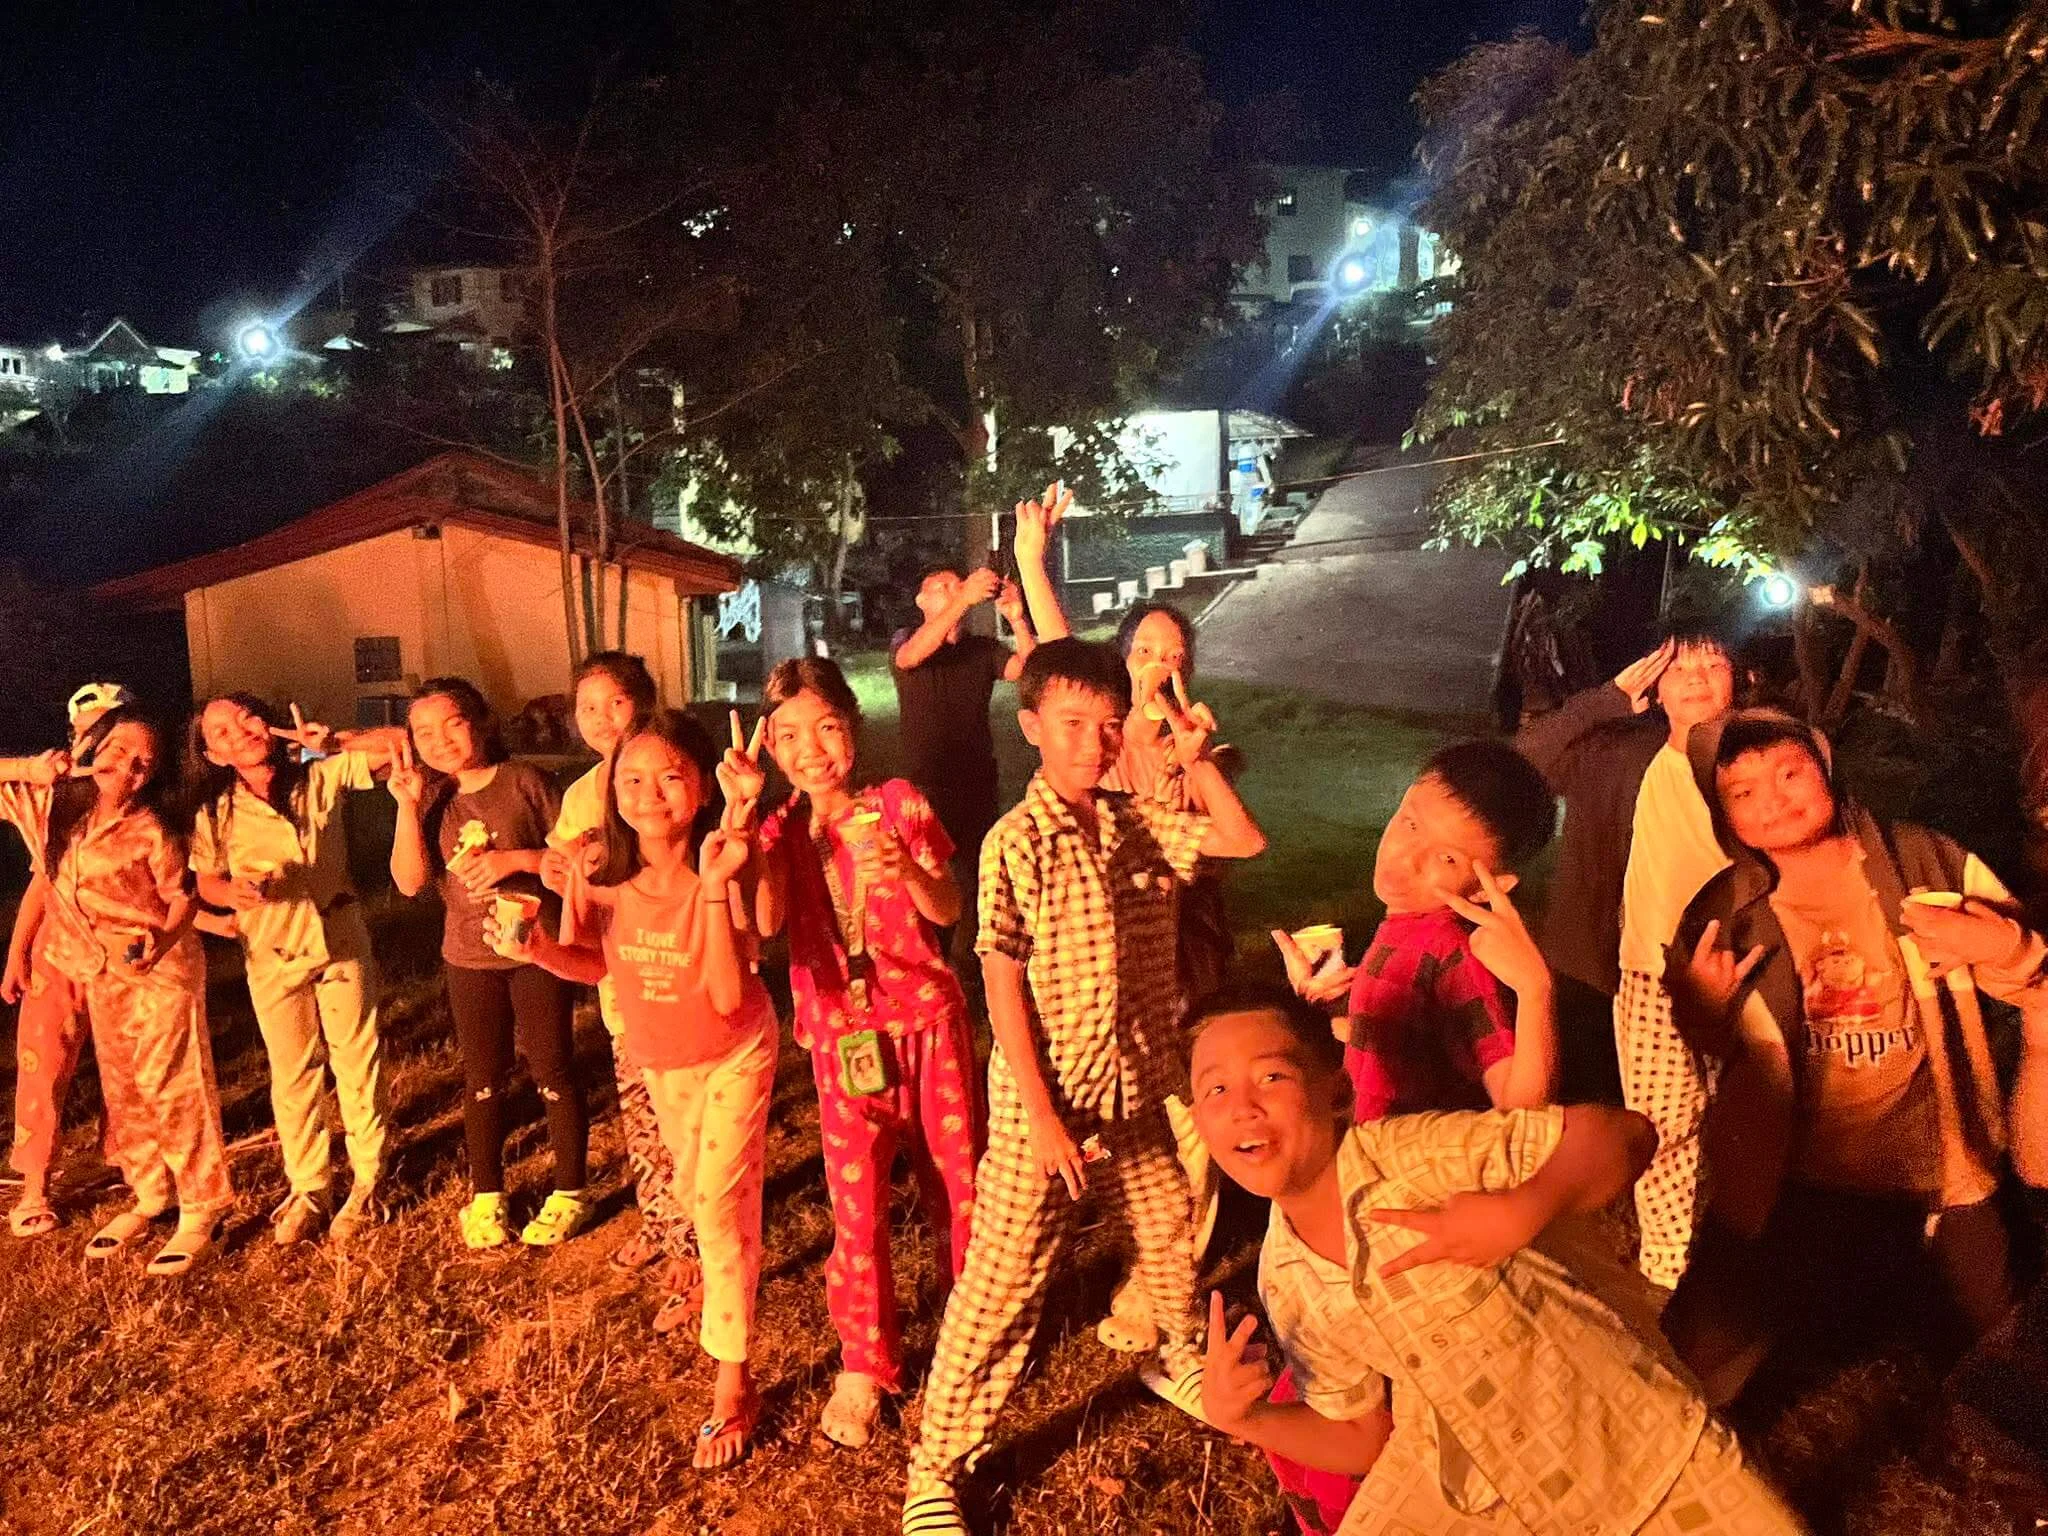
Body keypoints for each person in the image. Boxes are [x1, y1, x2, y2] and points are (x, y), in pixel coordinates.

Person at [1183, 983, 1808, 1536]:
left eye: (1272, 1077)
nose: (1243, 1106)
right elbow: (1361, 1435)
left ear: (1338, 1091)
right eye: (1216, 1089)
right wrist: (1248, 1418)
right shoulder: (1285, 1277)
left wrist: (1524, 1208)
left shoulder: (1412, 1160)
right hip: (1477, 1487)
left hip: (1638, 1446)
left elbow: (1624, 1135)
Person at [900, 638, 1269, 1536]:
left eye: (1108, 726)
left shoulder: (1139, 820)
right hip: (1050, 1103)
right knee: (1003, 1283)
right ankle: (935, 1468)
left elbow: (1242, 839)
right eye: (1071, 724)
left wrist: (1192, 759)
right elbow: (1000, 983)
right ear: (1031, 726)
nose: (1092, 744)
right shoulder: (1014, 843)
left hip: (1132, 1088)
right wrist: (1042, 1117)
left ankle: (1173, 1355)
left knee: (1168, 1228)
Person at [1662, 710, 2039, 1406]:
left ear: (1826, 769)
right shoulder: (1727, 912)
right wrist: (1702, 1014)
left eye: (1790, 773)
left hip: (1937, 1160)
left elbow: (2024, 968)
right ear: (1722, 812)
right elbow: (1711, 1047)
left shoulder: (1926, 862)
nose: (1773, 800)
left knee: (1988, 1347)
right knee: (1703, 1353)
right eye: (1743, 792)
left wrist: (2010, 951)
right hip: (1797, 1172)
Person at [1262, 739, 1561, 1533]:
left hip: (1401, 1215)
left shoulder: (1456, 957)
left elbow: (1521, 1104)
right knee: (1325, 1377)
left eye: (1448, 857)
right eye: (1409, 822)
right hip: (1355, 1192)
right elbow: (1383, 1050)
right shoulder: (1402, 929)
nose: (1406, 857)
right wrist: (1326, 1011)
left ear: (1493, 885)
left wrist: (1535, 990)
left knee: (1363, 1401)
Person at [504, 710, 776, 1471]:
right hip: (661, 1058)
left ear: (702, 787)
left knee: (716, 1207)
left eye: (669, 777)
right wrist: (536, 947)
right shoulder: (603, 875)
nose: (648, 794)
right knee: (699, 1198)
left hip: (734, 1051)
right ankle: (719, 1281)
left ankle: (733, 1383)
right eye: (630, 779)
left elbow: (729, 995)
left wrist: (721, 878)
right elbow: (600, 964)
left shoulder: (726, 860)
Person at [1010, 486, 1240, 1354]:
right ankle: (1122, 1258)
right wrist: (1031, 560)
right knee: (1128, 1127)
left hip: (1185, 955)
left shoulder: (1195, 744)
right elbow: (1054, 655)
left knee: (1191, 1120)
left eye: (1172, 655)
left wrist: (1196, 759)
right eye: (1143, 649)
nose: (1155, 665)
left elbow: (1229, 846)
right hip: (1103, 970)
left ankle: (1162, 1288)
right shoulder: (1097, 744)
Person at [754, 656, 983, 1449]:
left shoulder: (899, 803)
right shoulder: (776, 831)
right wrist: (743, 823)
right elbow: (766, 923)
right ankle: (866, 1361)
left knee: (960, 1188)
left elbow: (948, 908)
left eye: (826, 728)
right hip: (841, 1035)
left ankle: (972, 1330)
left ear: (852, 727)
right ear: (770, 749)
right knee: (857, 1211)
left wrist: (908, 868)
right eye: (789, 736)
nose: (812, 750)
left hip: (928, 1025)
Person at [1515, 627, 1741, 1288]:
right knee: (1665, 1126)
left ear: (1741, 679)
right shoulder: (1620, 757)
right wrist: (1606, 700)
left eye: (1713, 663)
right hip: (1648, 975)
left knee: (1753, 1118)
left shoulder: (1760, 759)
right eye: (1679, 667)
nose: (1697, 677)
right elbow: (1523, 767)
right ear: (1655, 688)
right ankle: (1668, 1268)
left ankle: (1744, 1252)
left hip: (1749, 968)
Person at [0, 711, 236, 1276]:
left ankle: (203, 1208)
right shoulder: (60, 810)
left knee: (173, 1084)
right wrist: (32, 770)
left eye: (143, 763)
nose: (128, 767)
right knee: (125, 1088)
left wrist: (163, 939)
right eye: (120, 748)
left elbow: (181, 898)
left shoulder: (154, 827)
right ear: (94, 745)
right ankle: (151, 1195)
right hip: (100, 971)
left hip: (159, 970)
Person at [186, 695, 406, 1245]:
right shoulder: (216, 812)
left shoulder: (319, 776)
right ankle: (310, 1187)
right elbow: (207, 879)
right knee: (293, 1071)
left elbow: (401, 746)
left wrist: (329, 743)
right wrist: (230, 894)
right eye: (221, 732)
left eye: (245, 717)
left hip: (339, 937)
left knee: (357, 1059)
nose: (239, 732)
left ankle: (368, 1179)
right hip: (273, 948)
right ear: (212, 755)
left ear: (267, 720)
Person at [388, 677, 590, 1251]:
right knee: (482, 1078)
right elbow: (408, 882)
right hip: (469, 957)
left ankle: (570, 1190)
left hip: (535, 949)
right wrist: (406, 807)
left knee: (553, 1068)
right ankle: (486, 1195)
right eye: (424, 732)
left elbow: (572, 857)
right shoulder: (430, 800)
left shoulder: (525, 782)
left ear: (480, 722)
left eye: (451, 723)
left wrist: (514, 860)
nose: (440, 740)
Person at [538, 652, 700, 1332]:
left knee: (687, 1131)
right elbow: (560, 868)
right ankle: (660, 1222)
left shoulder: (675, 780)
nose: (602, 718)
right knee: (643, 1123)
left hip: (678, 986)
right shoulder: (582, 795)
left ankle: (694, 1250)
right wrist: (561, 872)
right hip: (623, 987)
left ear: (645, 705)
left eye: (616, 703)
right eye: (588, 707)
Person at [3, 683, 133, 1238]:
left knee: (126, 1062)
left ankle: (128, 1160)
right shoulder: (51, 801)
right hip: (57, 952)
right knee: (44, 1065)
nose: (104, 747)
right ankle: (35, 1186)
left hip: (123, 952)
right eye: (93, 733)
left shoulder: (144, 798)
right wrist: (16, 952)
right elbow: (43, 879)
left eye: (115, 732)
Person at [889, 560, 1036, 928]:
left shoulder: (981, 649)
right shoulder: (907, 640)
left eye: (958, 584)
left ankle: (973, 955)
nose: (955, 590)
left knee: (979, 881)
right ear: (921, 601)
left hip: (976, 784)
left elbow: (1031, 673)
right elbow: (910, 657)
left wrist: (1018, 619)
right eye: (942, 587)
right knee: (929, 879)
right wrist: (964, 598)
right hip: (926, 787)